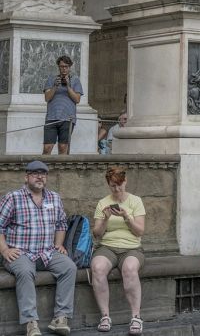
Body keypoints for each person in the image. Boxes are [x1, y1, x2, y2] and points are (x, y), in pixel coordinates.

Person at [0, 160, 77, 336]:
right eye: (35, 173)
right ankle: (30, 322)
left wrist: (58, 245)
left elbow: (61, 224)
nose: (40, 177)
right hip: (20, 253)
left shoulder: (54, 198)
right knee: (26, 272)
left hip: (47, 252)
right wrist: (5, 250)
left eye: (43, 174)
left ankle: (60, 318)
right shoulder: (13, 197)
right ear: (26, 177)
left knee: (69, 267)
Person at [91, 166, 147, 335]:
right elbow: (97, 234)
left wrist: (126, 217)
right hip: (107, 246)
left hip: (132, 247)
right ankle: (105, 316)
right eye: (113, 186)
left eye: (119, 185)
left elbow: (139, 231)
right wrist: (106, 219)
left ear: (125, 181)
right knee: (98, 267)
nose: (117, 189)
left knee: (129, 269)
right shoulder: (103, 202)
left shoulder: (135, 201)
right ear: (108, 185)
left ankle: (136, 317)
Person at [43, 55, 83, 155]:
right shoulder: (51, 79)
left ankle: (60, 171)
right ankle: (41, 170)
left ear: (70, 67)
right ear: (58, 67)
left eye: (66, 66)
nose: (64, 69)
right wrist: (55, 86)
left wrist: (68, 86)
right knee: (47, 147)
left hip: (67, 119)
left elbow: (77, 99)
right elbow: (47, 98)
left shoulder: (75, 80)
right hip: (52, 117)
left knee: (63, 147)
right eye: (62, 66)